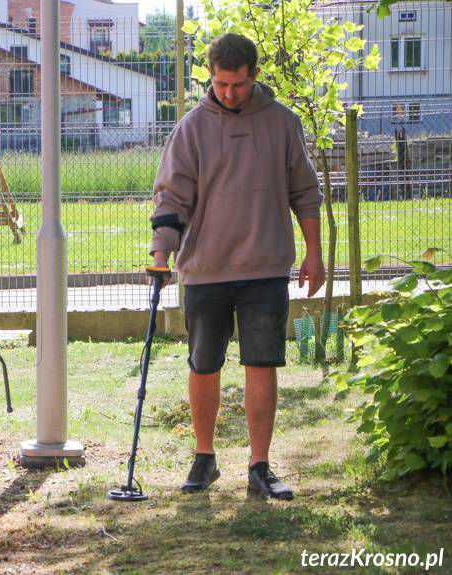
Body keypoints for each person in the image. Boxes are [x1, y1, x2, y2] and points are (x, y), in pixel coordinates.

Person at [149, 34, 325, 500]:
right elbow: (171, 199)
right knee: (203, 365)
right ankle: (204, 459)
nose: (228, 93)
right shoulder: (190, 128)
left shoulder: (283, 123)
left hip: (265, 266)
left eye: (238, 85)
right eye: (220, 84)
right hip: (205, 269)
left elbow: (305, 192)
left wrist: (314, 252)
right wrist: (161, 253)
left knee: (261, 364)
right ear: (211, 77)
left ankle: (260, 466)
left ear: (255, 76)